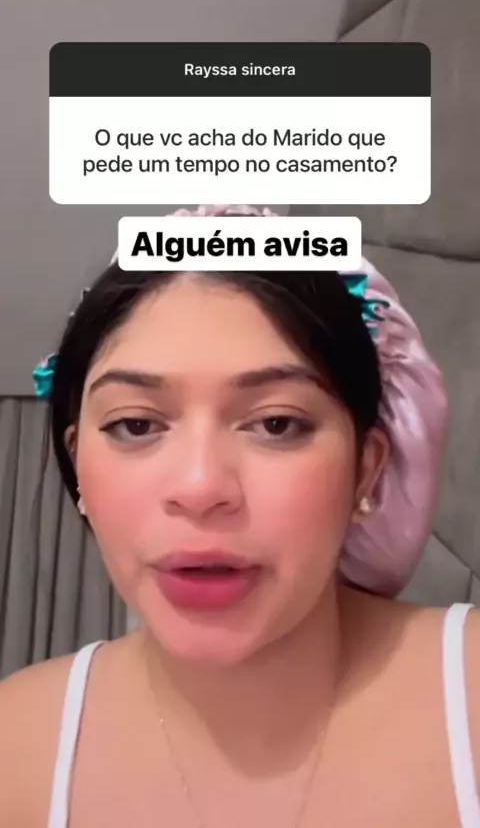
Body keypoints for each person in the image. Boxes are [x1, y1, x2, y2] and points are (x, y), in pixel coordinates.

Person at [1, 204, 478, 828]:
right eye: (136, 424)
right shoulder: (17, 749)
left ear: (365, 469)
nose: (201, 488)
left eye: (276, 423)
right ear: (77, 465)